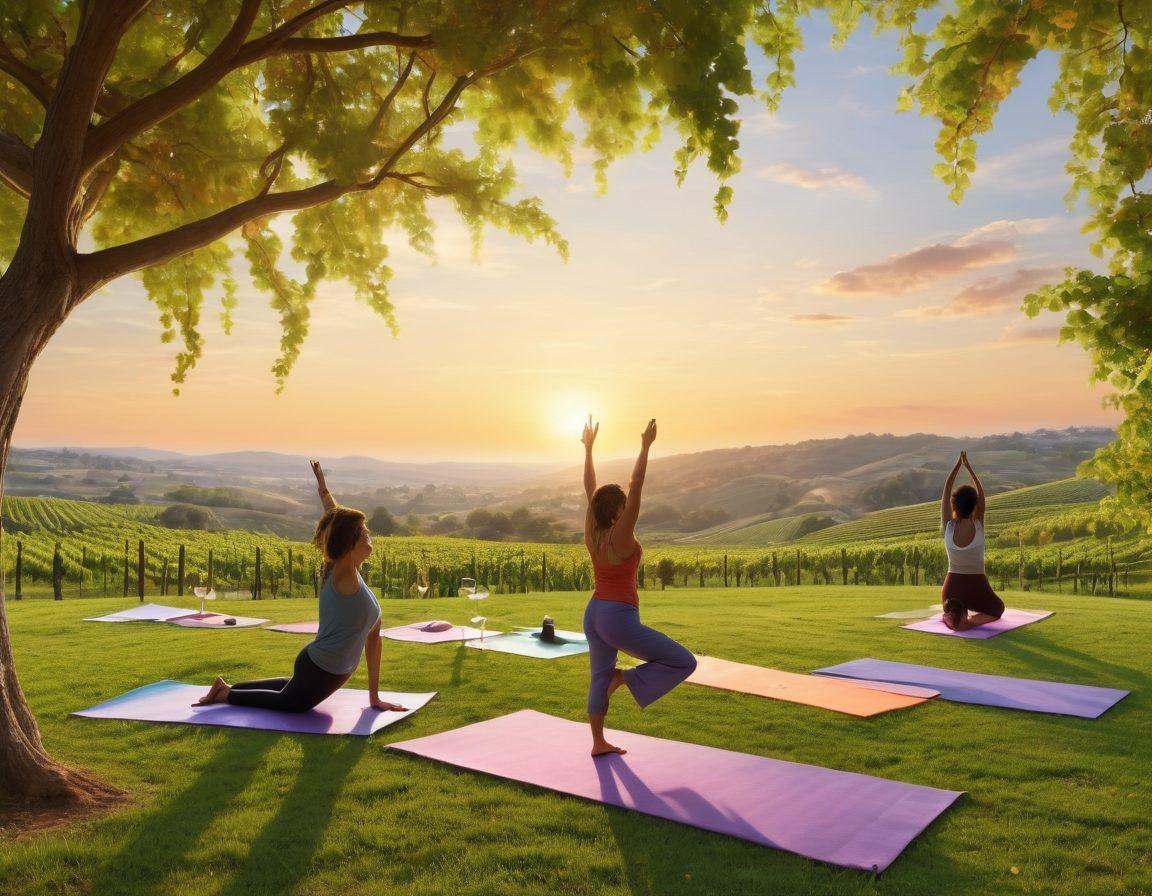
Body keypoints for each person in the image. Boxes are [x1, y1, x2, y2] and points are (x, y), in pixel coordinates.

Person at [194, 461, 408, 713]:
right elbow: (336, 522)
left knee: (292, 690)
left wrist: (375, 697)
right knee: (292, 703)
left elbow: (373, 641)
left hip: (329, 667)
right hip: (321, 665)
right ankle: (226, 694)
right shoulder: (341, 573)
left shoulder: (350, 571)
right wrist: (328, 500)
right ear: (347, 541)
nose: (368, 535)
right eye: (362, 532)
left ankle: (226, 687)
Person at [581, 416, 696, 756]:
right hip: (617, 617)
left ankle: (598, 743)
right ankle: (626, 679)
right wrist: (645, 446)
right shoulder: (620, 533)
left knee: (597, 676)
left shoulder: (593, 529)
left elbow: (590, 486)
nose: (627, 507)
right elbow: (637, 482)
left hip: (594, 613)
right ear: (618, 512)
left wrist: (588, 449)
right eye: (623, 506)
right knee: (683, 661)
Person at [939, 451, 1005, 631]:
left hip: (951, 589)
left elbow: (946, 490)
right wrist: (969, 469)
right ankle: (967, 621)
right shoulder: (978, 524)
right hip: (977, 586)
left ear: (954, 505)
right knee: (997, 609)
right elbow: (982, 497)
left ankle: (956, 614)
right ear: (975, 505)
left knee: (956, 603)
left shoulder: (948, 526)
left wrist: (957, 466)